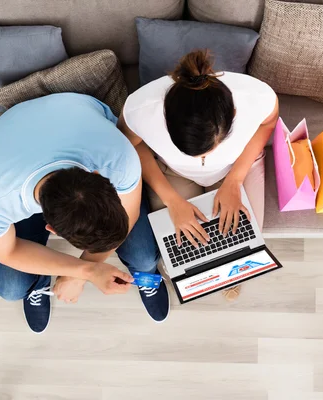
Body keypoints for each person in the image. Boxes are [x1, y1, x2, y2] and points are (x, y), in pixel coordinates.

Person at [0, 93, 169, 334]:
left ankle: (146, 275)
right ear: (50, 227)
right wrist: (85, 270)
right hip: (16, 141)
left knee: (144, 257)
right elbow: (8, 252)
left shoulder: (117, 155)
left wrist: (82, 273)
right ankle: (39, 282)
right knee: (11, 288)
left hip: (71, 112)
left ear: (99, 176)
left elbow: (131, 210)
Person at [118, 50, 278, 301]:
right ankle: (191, 275)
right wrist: (171, 199)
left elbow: (268, 123)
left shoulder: (255, 96)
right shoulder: (141, 109)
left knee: (243, 241)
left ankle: (229, 272)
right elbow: (131, 146)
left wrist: (235, 180)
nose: (199, 159)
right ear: (166, 120)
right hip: (174, 172)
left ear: (233, 115)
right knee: (180, 243)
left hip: (236, 167)